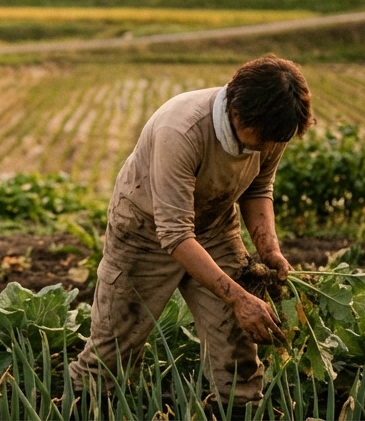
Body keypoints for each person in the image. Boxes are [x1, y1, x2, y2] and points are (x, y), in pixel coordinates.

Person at [69, 54, 314, 406]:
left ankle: (240, 406)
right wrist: (239, 297)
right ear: (236, 110)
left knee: (236, 343)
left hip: (214, 225)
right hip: (144, 233)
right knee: (111, 353)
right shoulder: (180, 130)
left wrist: (269, 250)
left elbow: (259, 189)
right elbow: (175, 234)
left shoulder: (273, 129)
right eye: (259, 140)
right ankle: (85, 406)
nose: (264, 148)